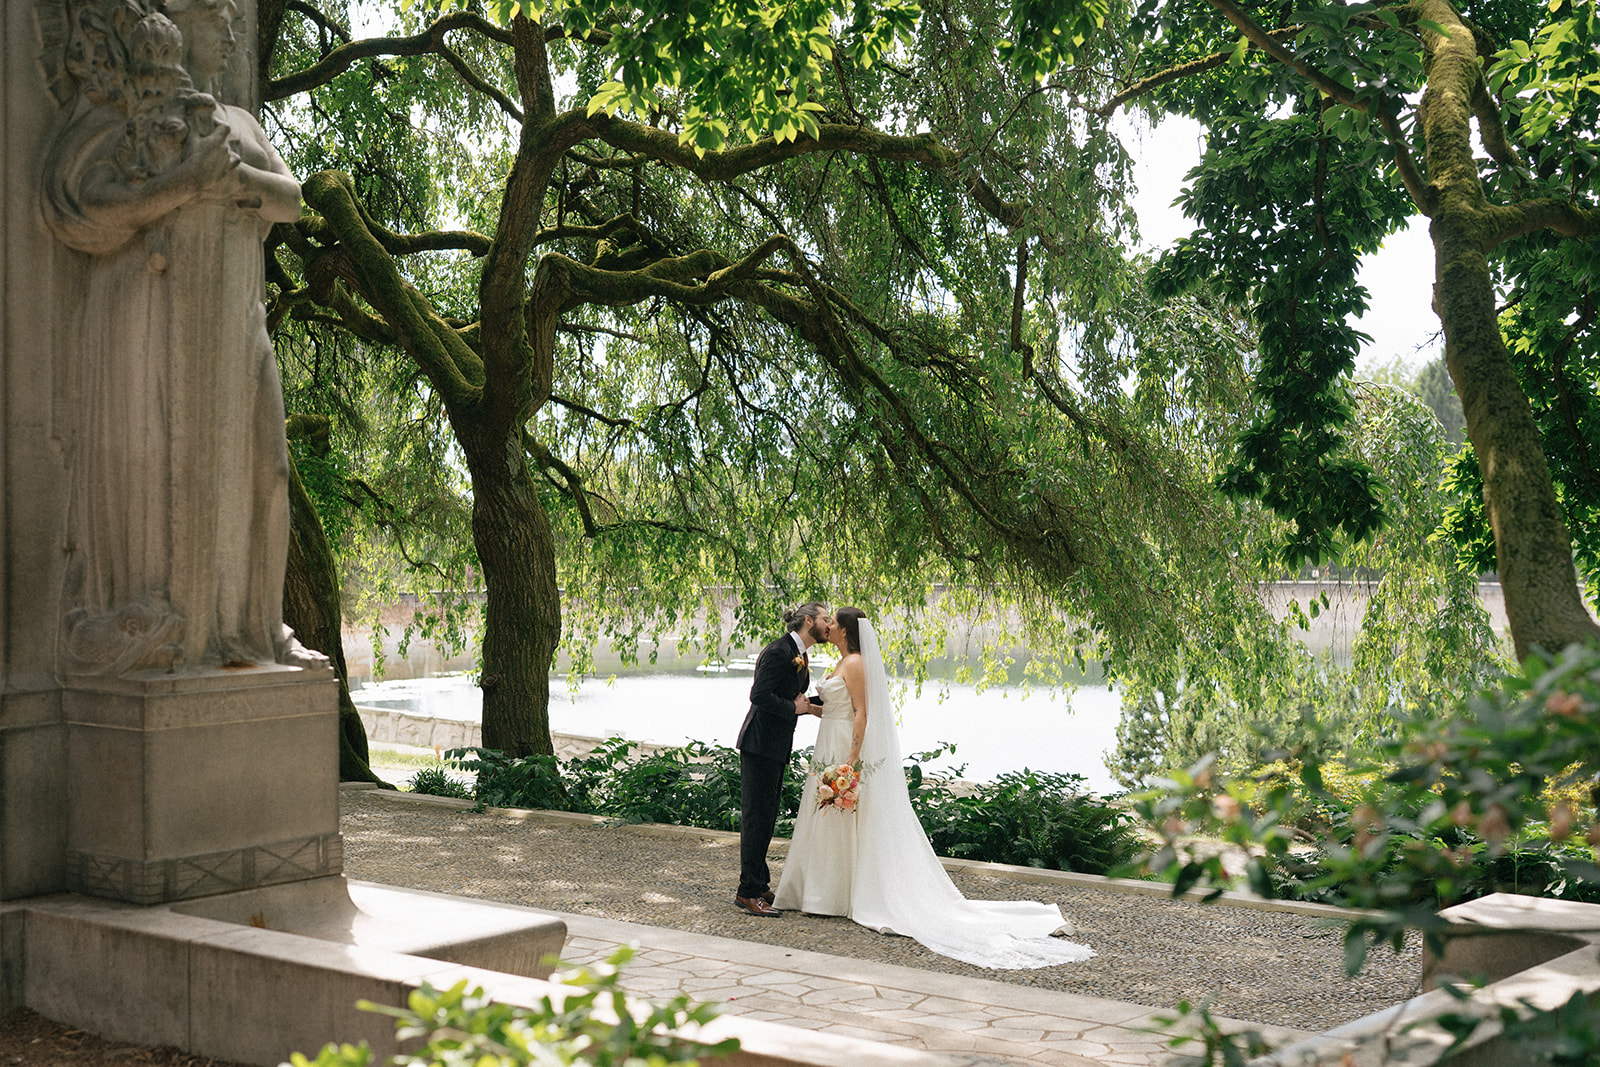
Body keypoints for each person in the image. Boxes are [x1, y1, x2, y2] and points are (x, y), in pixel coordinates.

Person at [43, 0, 319, 673]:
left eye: (232, 18)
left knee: (271, 471)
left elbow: (291, 200)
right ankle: (186, 626)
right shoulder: (131, 116)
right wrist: (187, 184)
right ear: (177, 23)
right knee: (166, 477)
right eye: (215, 16)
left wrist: (234, 183)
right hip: (162, 320)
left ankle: (262, 628)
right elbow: (82, 208)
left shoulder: (241, 123)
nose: (231, 31)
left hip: (242, 320)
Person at [774, 608, 1097, 969]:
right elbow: (839, 708)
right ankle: (820, 892)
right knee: (828, 816)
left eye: (833, 621)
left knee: (843, 816)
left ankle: (832, 895)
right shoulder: (841, 661)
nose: (828, 625)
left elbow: (862, 713)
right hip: (828, 741)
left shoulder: (855, 663)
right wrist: (809, 709)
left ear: (846, 631)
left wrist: (851, 759)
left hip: (843, 747)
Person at [734, 602, 829, 917]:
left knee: (766, 817)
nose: (829, 624)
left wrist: (827, 701)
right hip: (759, 745)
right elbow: (759, 695)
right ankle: (748, 892)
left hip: (774, 746)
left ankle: (760, 885)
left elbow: (790, 697)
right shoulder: (779, 651)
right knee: (756, 818)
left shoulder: (798, 653)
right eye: (825, 619)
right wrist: (795, 708)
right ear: (808, 621)